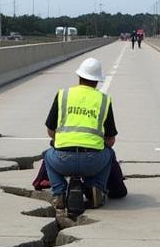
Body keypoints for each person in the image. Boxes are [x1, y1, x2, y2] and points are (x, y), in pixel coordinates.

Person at [43, 57, 117, 213]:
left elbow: (50, 130)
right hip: (93, 162)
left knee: (48, 155)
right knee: (109, 154)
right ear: (97, 81)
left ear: (79, 77)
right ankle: (96, 187)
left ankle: (58, 194)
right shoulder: (104, 100)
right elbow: (110, 141)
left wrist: (62, 140)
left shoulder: (63, 95)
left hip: (63, 160)